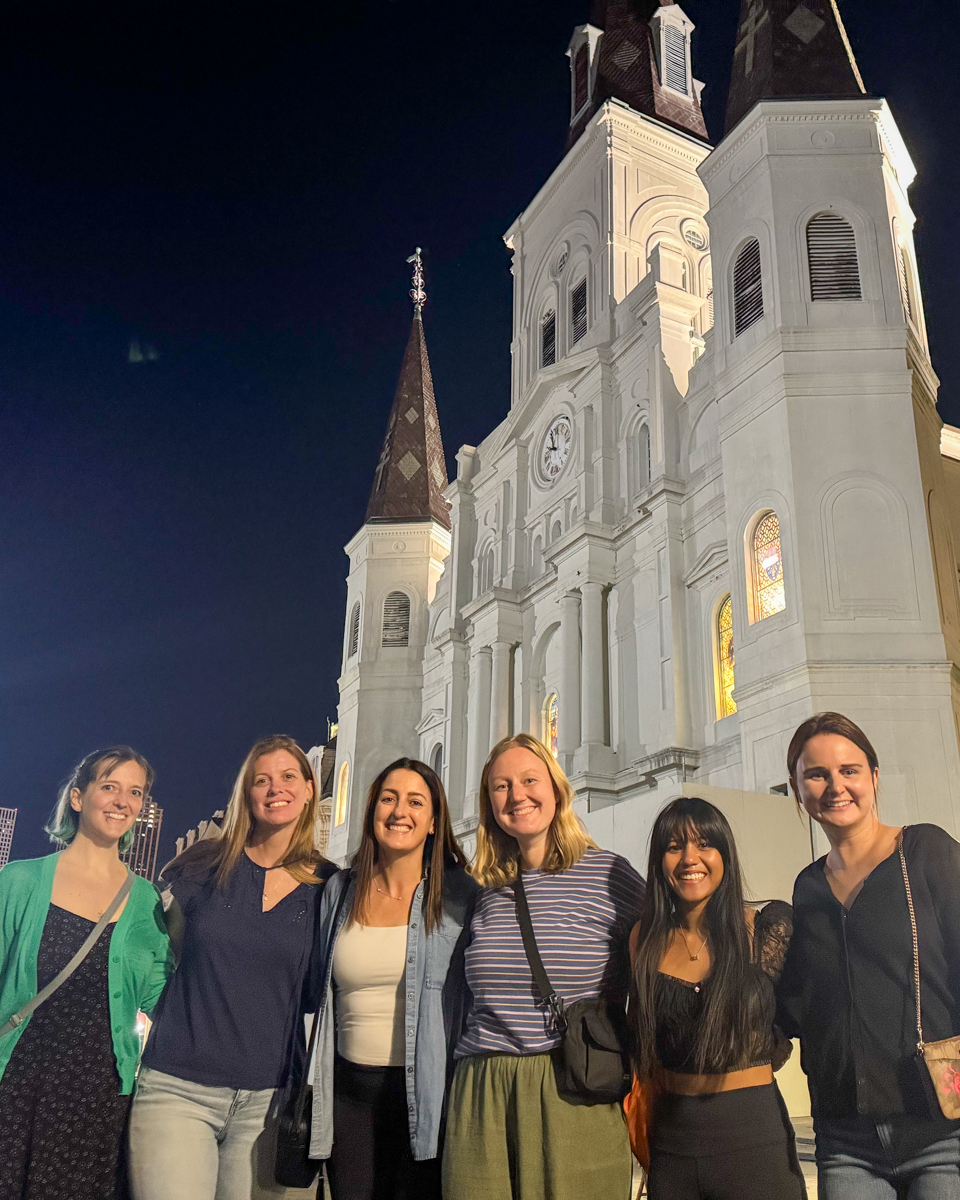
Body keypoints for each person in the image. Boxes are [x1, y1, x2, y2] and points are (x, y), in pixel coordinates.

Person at [128, 734, 334, 1200]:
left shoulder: (329, 887)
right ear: (246, 794)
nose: (274, 788)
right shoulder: (202, 865)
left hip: (270, 1102)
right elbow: (148, 956)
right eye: (261, 780)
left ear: (308, 789)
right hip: (178, 1090)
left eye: (287, 777)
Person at [442, 733, 644, 1200]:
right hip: (483, 1090)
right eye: (501, 786)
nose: (517, 796)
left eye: (529, 780)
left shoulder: (608, 874)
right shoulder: (481, 891)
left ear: (556, 789)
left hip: (573, 1088)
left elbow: (663, 956)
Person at [777, 711, 960, 1198]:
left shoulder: (926, 852)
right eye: (816, 774)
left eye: (849, 770)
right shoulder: (808, 887)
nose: (835, 785)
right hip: (846, 1138)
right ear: (798, 790)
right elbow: (804, 1004)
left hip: (939, 1128)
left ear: (874, 777)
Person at [0, 746, 174, 1200]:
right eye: (109, 786)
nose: (122, 801)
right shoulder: (19, 881)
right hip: (14, 1083)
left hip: (97, 1096)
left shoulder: (146, 901)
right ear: (78, 798)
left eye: (134, 792)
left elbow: (165, 996)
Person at [307, 757, 476, 1200]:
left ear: (434, 821)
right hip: (349, 1098)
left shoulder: (461, 897)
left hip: (428, 1100)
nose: (400, 811)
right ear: (372, 812)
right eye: (389, 798)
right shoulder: (340, 891)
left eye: (415, 802)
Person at [628, 795, 804, 1199]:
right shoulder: (643, 939)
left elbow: (803, 1017)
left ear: (724, 854)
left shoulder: (766, 928)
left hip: (755, 1139)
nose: (690, 857)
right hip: (672, 1143)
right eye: (674, 847)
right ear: (659, 863)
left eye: (704, 844)